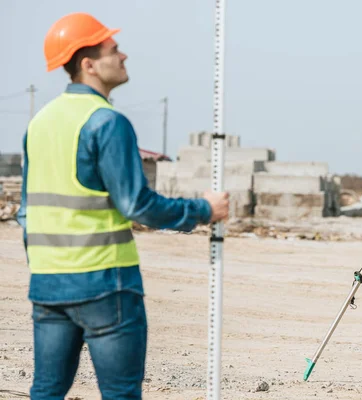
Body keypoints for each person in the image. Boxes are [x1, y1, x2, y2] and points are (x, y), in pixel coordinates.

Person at [16, 12, 230, 399]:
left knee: (46, 391)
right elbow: (137, 204)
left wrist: (47, 267)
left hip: (47, 285)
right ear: (89, 64)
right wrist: (203, 210)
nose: (125, 56)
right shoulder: (106, 122)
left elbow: (25, 210)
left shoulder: (39, 123)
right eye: (114, 50)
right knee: (121, 394)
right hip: (106, 285)